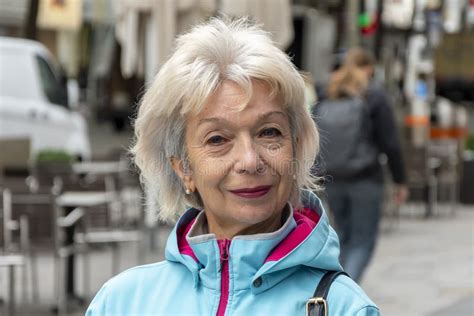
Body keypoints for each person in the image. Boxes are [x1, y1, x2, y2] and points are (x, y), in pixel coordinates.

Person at [86, 18, 379, 315]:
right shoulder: (122, 303)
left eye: (269, 132)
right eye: (217, 139)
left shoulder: (346, 308)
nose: (250, 160)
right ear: (183, 168)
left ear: (296, 148)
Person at [313, 48, 408, 283]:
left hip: (332, 177)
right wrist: (400, 180)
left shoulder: (327, 94)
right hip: (365, 179)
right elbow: (391, 143)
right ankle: (344, 298)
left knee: (343, 237)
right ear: (367, 69)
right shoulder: (374, 96)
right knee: (362, 243)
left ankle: (334, 292)